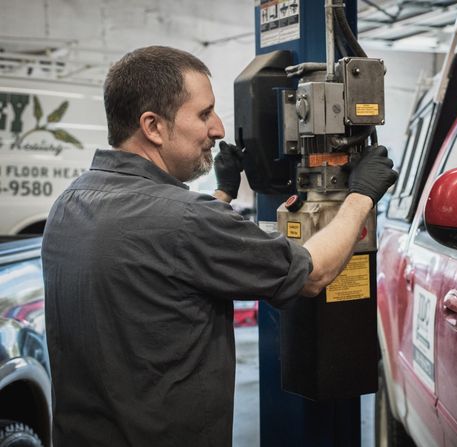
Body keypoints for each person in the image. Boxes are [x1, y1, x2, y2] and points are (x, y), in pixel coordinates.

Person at [41, 45, 397, 447]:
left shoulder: (70, 204)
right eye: (204, 114)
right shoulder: (186, 220)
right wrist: (361, 196)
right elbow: (313, 273)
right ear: (153, 126)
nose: (219, 129)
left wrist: (223, 194)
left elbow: (168, 255)